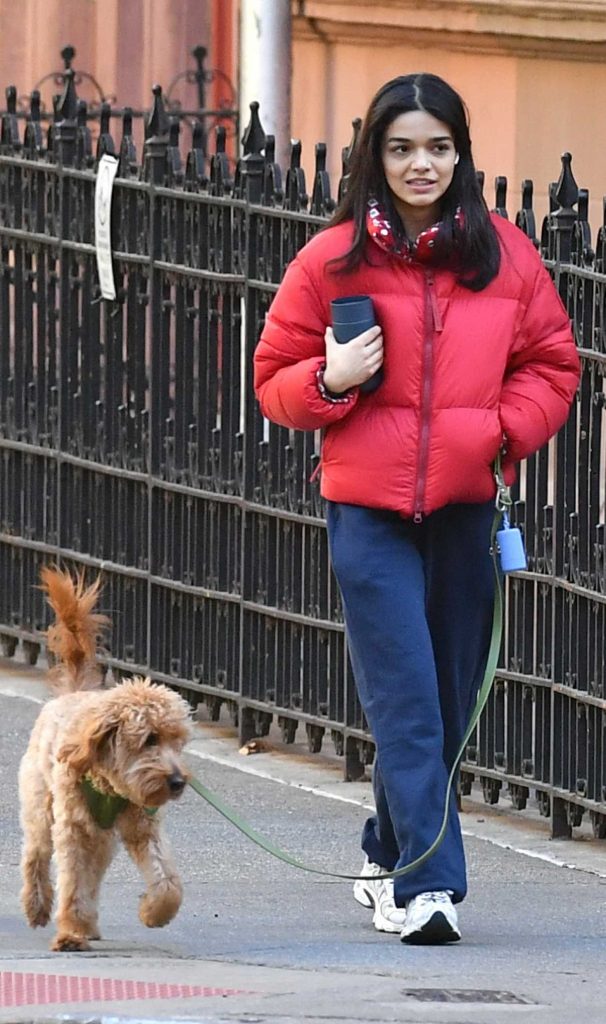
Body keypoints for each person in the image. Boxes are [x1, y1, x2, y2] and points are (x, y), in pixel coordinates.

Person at [253, 73, 580, 945]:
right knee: (406, 700)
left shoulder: (507, 255)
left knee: (446, 695)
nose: (420, 164)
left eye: (437, 147)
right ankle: (427, 887)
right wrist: (331, 379)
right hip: (368, 513)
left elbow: (554, 366)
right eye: (402, 148)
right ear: (376, 158)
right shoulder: (330, 262)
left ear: (461, 154)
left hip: (465, 511)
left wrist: (499, 433)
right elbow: (271, 381)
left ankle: (382, 847)